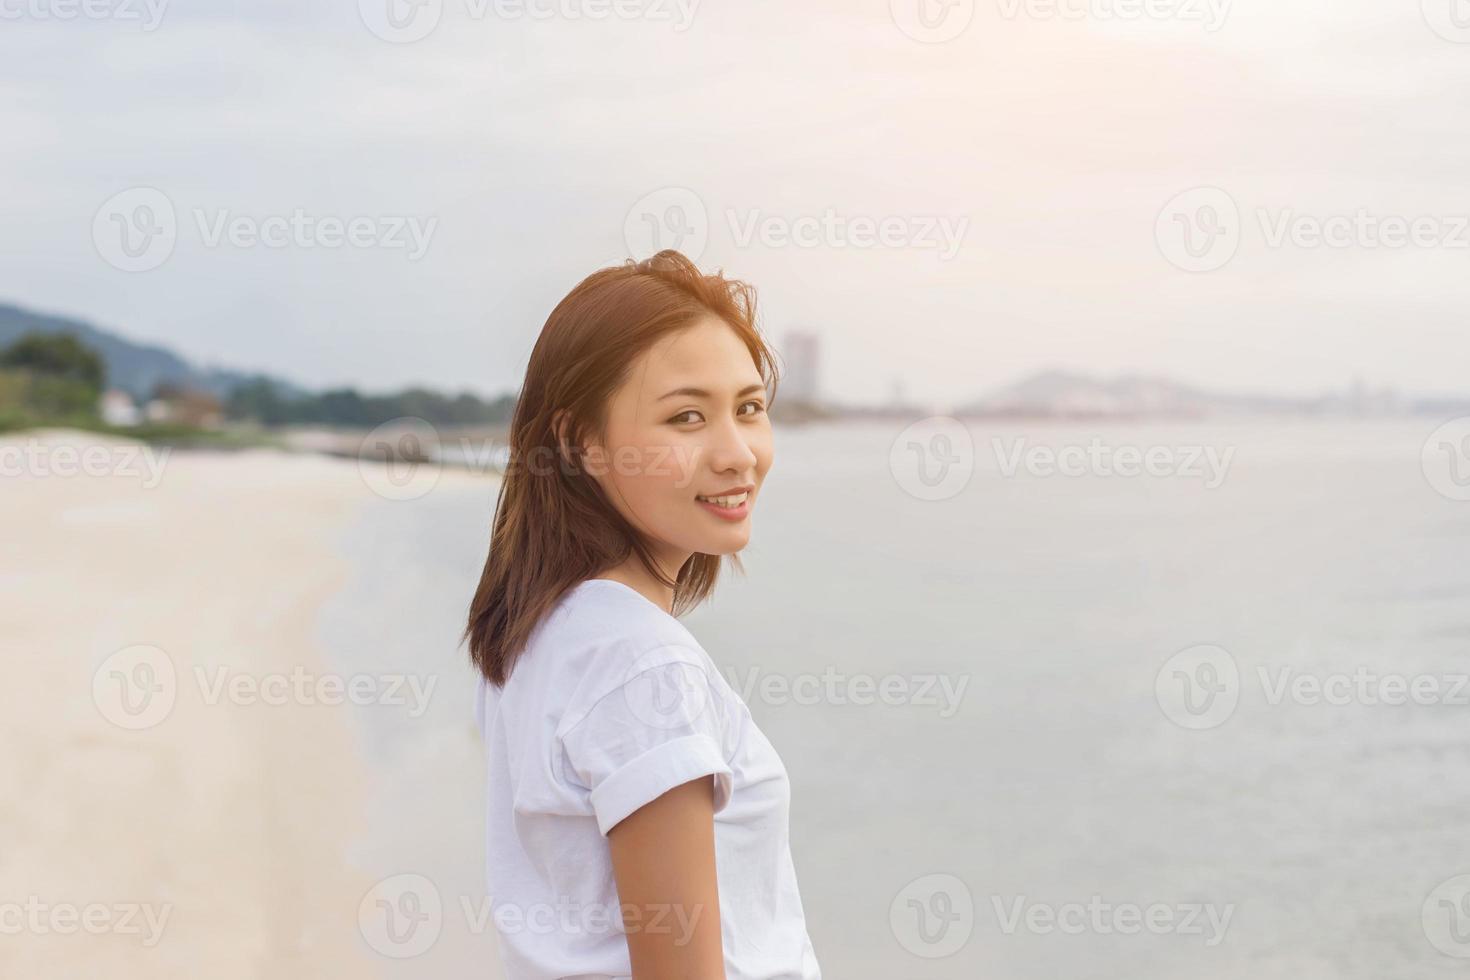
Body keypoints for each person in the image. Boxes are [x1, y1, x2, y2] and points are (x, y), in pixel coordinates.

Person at [463, 250, 822, 979]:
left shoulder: (544, 631)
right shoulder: (640, 663)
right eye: (686, 417)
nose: (737, 454)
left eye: (749, 409)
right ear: (579, 442)